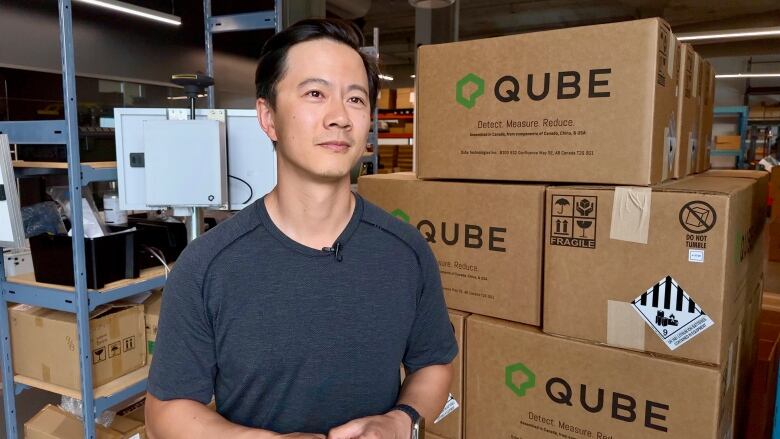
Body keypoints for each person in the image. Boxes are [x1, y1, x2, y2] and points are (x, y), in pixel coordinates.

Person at [145, 18, 457, 439]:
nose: (339, 117)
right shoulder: (207, 266)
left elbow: (434, 362)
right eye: (315, 94)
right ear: (268, 117)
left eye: (356, 99)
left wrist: (400, 421)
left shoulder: (405, 251)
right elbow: (166, 411)